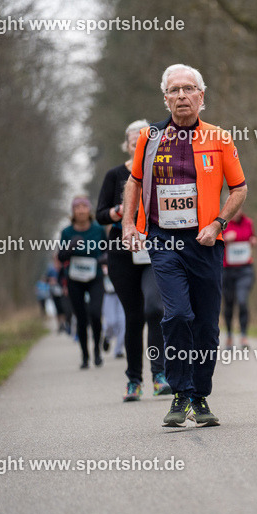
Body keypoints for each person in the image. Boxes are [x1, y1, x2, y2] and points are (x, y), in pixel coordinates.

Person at [122, 63, 247, 428]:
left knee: (207, 326)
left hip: (206, 242)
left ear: (201, 96)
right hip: (163, 241)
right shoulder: (149, 137)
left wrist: (219, 223)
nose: (181, 96)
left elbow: (239, 188)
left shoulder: (220, 138)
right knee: (176, 315)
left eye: (188, 89)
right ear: (165, 98)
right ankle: (179, 392)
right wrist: (130, 223)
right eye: (174, 90)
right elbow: (133, 181)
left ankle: (200, 396)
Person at [97, 119, 171, 402]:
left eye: (143, 138)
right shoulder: (114, 175)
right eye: (132, 139)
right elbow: (100, 214)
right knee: (134, 316)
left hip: (153, 246)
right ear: (127, 144)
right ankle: (134, 380)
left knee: (155, 308)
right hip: (121, 249)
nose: (137, 142)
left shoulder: (161, 172)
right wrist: (119, 212)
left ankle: (160, 375)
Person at [58, 196, 108, 368]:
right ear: (73, 211)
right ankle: (85, 356)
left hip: (95, 277)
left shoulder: (98, 229)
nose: (80, 210)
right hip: (74, 279)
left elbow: (108, 250)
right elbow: (60, 257)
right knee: (81, 317)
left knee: (95, 313)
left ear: (89, 210)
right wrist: (70, 247)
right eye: (77, 207)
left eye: (83, 206)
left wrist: (104, 259)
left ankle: (97, 352)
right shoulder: (66, 232)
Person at [221, 210, 256, 350]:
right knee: (229, 303)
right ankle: (229, 335)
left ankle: (243, 336)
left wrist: (254, 240)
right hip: (227, 270)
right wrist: (224, 239)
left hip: (245, 269)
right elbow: (213, 242)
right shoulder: (223, 223)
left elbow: (253, 237)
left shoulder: (248, 222)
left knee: (242, 300)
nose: (237, 212)